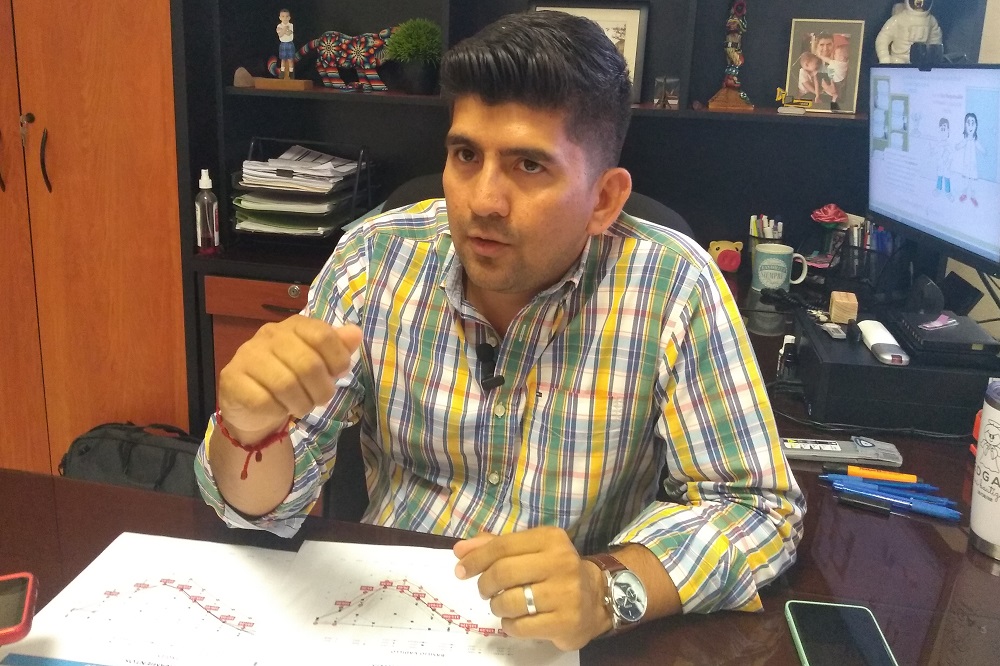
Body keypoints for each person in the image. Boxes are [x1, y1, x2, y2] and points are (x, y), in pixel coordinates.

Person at [196, 10, 804, 651]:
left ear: (603, 199)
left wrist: (607, 589)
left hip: (565, 641)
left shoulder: (673, 284)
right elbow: (261, 510)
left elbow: (756, 508)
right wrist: (248, 432)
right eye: (466, 155)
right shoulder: (374, 260)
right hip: (382, 620)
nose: (482, 201)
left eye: (529, 166)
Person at [955, 112, 985, 206]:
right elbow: (958, 146)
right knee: (965, 181)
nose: (970, 126)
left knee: (973, 182)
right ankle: (964, 194)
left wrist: (984, 151)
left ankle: (973, 196)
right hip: (966, 165)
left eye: (973, 123)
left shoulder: (975, 141)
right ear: (965, 126)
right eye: (968, 123)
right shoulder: (965, 140)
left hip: (973, 166)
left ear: (976, 126)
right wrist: (957, 146)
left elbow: (980, 148)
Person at [935, 117, 953, 199]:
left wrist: (949, 163)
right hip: (940, 164)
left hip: (946, 165)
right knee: (939, 176)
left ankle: (948, 192)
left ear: (948, 131)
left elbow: (951, 155)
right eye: (941, 129)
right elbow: (936, 152)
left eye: (944, 129)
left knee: (947, 178)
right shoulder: (938, 144)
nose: (942, 131)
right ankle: (938, 189)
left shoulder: (949, 145)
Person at [276, 9, 295, 79]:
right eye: (283, 16)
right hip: (283, 44)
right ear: (280, 18)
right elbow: (280, 34)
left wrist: (283, 30)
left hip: (290, 44)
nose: (285, 18)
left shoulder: (291, 25)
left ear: (289, 18)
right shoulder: (279, 25)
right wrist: (284, 29)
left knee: (290, 59)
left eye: (287, 16)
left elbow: (289, 33)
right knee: (283, 59)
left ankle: (291, 72)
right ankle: (282, 71)